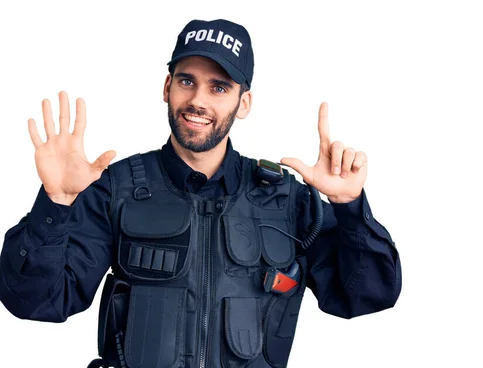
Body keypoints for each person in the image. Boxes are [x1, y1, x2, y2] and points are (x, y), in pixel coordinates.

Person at [0, 18, 401, 368]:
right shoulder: (114, 188)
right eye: (186, 81)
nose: (197, 100)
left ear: (243, 103)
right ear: (166, 86)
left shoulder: (285, 199)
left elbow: (363, 297)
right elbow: (37, 302)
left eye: (219, 88)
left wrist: (349, 208)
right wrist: (56, 203)